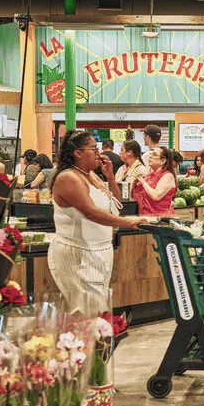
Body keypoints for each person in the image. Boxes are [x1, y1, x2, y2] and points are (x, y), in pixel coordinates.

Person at [48, 130, 141, 303]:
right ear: (78, 153)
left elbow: (114, 205)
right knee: (85, 307)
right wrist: (129, 222)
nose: (99, 153)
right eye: (94, 149)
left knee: (97, 307)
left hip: (99, 251)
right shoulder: (69, 178)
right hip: (78, 253)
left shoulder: (90, 175)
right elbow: (91, 212)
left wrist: (110, 177)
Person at [133, 147, 177, 217]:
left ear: (163, 161)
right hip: (145, 217)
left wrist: (142, 181)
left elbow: (156, 196)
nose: (150, 156)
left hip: (160, 219)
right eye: (151, 154)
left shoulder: (168, 176)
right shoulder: (149, 175)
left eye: (154, 154)